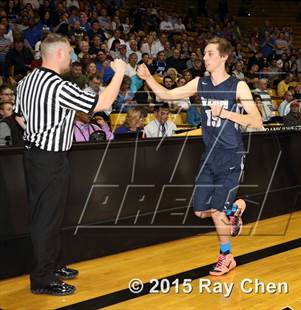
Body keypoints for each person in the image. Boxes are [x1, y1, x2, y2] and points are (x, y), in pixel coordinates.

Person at [137, 37, 262, 276]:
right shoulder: (200, 83)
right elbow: (166, 95)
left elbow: (256, 120)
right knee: (200, 211)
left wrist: (226, 113)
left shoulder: (238, 86)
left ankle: (226, 257)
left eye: (210, 53)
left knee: (215, 211)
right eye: (204, 53)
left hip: (231, 155)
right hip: (209, 156)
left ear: (223, 57)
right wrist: (148, 78)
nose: (204, 57)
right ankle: (234, 210)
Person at [14, 33, 126, 296]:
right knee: (47, 217)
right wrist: (118, 72)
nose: (72, 56)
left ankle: (52, 264)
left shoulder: (25, 81)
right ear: (60, 54)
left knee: (49, 214)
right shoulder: (58, 85)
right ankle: (42, 278)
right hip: (49, 159)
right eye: (69, 52)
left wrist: (38, 133)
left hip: (34, 155)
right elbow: (103, 103)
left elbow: (19, 117)